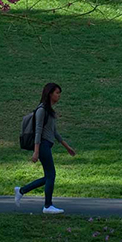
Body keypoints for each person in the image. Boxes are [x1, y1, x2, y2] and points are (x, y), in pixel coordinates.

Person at [14, 82, 76, 214]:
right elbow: (38, 131)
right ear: (49, 94)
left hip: (47, 144)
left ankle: (21, 191)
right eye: (57, 93)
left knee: (49, 176)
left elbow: (54, 132)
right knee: (51, 175)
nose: (59, 96)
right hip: (42, 145)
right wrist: (36, 151)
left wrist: (67, 147)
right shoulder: (41, 110)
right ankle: (47, 206)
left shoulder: (49, 111)